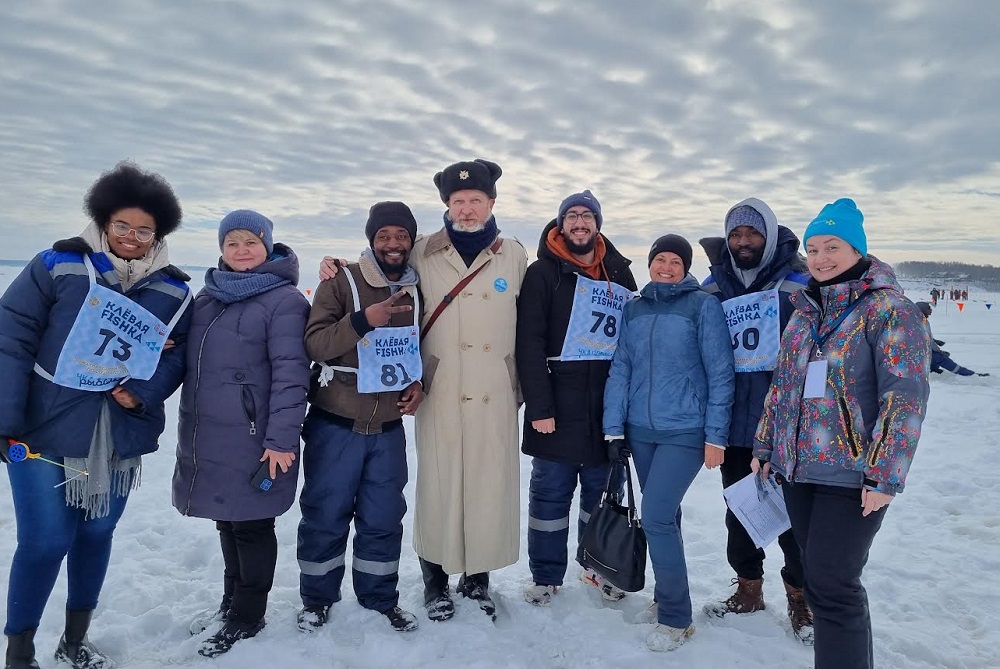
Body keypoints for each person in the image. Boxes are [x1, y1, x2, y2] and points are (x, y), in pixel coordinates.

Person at [0, 161, 191, 669]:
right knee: (45, 541)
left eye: (144, 229)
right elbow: (11, 338)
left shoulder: (173, 290)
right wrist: (4, 417)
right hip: (44, 429)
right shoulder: (58, 265)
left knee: (95, 534)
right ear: (104, 221)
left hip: (117, 436)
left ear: (159, 233)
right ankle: (19, 652)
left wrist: (142, 393)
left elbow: (175, 356)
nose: (132, 237)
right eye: (123, 225)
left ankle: (75, 640)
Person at [753, 198, 930, 669]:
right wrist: (766, 444)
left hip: (852, 477)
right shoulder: (805, 311)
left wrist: (884, 476)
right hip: (798, 471)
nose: (820, 258)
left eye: (832, 246)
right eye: (812, 248)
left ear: (858, 250)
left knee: (833, 586)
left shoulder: (889, 311)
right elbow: (783, 384)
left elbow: (906, 396)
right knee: (821, 582)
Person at [173, 210, 311, 657]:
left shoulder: (285, 301)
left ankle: (248, 615)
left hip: (256, 438)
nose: (241, 251)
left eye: (250, 241)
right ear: (221, 250)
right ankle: (230, 603)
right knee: (227, 522)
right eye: (232, 243)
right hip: (210, 436)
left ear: (267, 245)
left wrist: (281, 440)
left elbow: (292, 376)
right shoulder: (207, 300)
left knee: (251, 525)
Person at [603, 234, 735, 652]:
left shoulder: (702, 306)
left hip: (685, 430)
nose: (666, 267)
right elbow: (621, 367)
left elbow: (720, 372)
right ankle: (663, 597)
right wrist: (614, 428)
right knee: (667, 516)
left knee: (656, 516)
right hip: (641, 430)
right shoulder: (634, 309)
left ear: (686, 268)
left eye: (674, 261)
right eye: (659, 259)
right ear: (650, 264)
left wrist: (716, 435)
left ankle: (678, 617)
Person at [296, 202, 423, 635]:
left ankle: (380, 597)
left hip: (388, 430)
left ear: (411, 241)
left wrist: (421, 383)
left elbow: (423, 346)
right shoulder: (341, 280)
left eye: (402, 236)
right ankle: (317, 599)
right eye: (384, 235)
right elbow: (315, 344)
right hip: (336, 424)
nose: (393, 243)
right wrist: (362, 321)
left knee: (384, 517)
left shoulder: (416, 287)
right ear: (371, 239)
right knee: (325, 514)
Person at [698, 198, 814, 642]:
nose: (743, 241)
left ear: (768, 235)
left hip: (786, 425)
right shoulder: (713, 286)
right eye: (736, 234)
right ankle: (749, 589)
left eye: (752, 232)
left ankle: (801, 598)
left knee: (792, 516)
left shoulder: (799, 283)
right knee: (741, 511)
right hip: (731, 423)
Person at [515, 190, 637, 607]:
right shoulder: (542, 273)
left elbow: (634, 342)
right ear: (561, 224)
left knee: (603, 494)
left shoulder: (620, 274)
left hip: (607, 404)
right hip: (557, 402)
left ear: (598, 224)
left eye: (587, 216)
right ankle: (546, 575)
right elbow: (528, 342)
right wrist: (540, 407)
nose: (580, 223)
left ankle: (598, 568)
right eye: (572, 216)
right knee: (550, 495)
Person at [915, 301, 989, 377]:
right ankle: (970, 375)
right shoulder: (919, 322)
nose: (931, 310)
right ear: (922, 309)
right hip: (921, 351)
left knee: (935, 358)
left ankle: (932, 370)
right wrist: (939, 351)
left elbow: (925, 337)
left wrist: (936, 341)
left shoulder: (921, 320)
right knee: (942, 359)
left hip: (922, 350)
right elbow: (926, 340)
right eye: (928, 308)